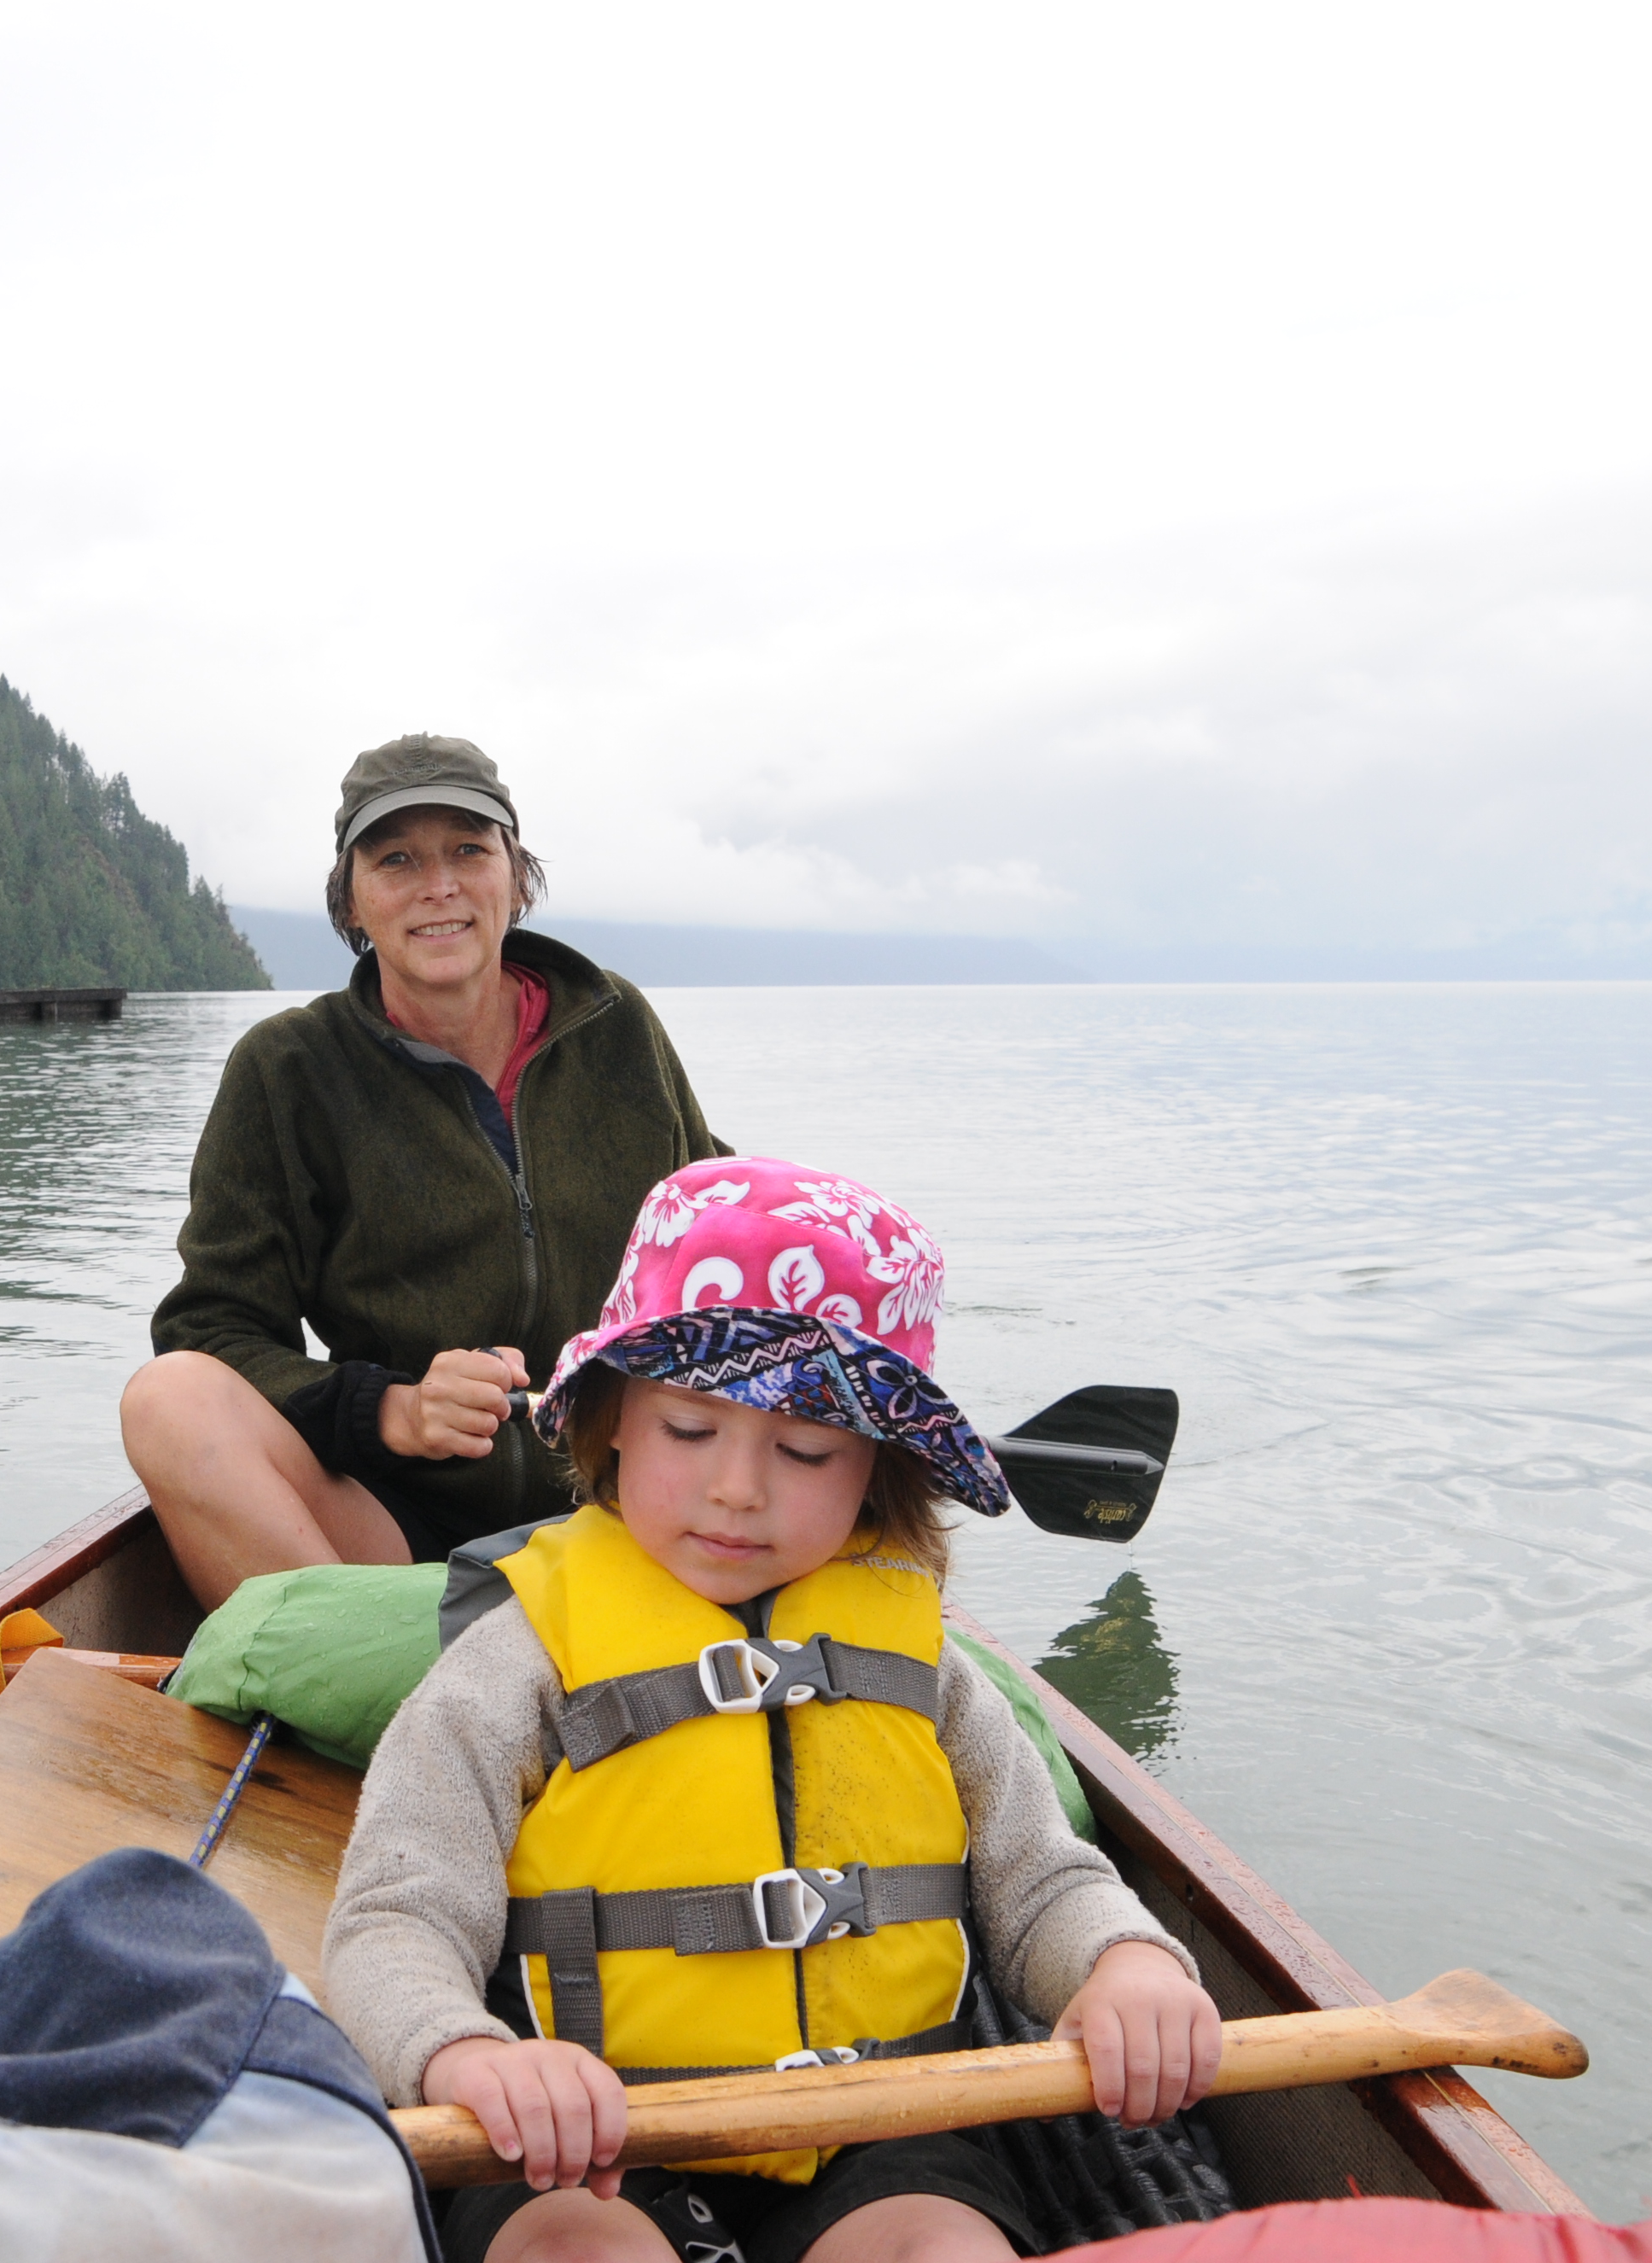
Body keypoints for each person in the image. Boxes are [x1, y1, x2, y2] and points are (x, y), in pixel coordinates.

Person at [320, 1159, 1224, 2263]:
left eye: (804, 1450)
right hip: (585, 2136)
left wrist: (1125, 1963)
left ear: (876, 1468)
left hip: (875, 2129)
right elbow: (394, 1918)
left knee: (943, 2251)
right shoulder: (517, 1662)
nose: (737, 1489)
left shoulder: (926, 1664)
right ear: (613, 1421)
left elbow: (1043, 1886)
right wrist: (462, 2054)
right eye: (688, 1430)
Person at [126, 736, 726, 1605]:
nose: (438, 885)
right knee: (168, 1399)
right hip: (396, 1535)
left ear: (517, 877)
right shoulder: (287, 1069)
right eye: (396, 859)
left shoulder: (618, 1027)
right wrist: (394, 1411)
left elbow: (717, 1240)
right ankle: (366, 1664)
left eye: (468, 850)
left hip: (623, 1512)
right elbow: (211, 1329)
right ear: (351, 900)